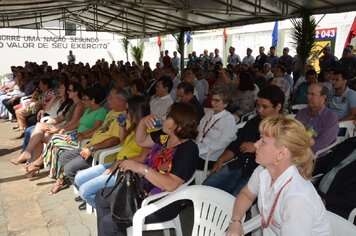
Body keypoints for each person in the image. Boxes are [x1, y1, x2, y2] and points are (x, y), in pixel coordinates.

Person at [95, 102, 199, 236]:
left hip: (163, 202)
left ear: (178, 123)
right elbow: (141, 140)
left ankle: (114, 229)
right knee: (101, 197)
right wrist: (143, 122)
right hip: (143, 191)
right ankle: (117, 230)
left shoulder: (188, 149)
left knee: (108, 223)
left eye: (167, 116)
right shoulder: (165, 136)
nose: (163, 117)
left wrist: (141, 168)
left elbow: (171, 184)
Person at [227, 115, 332, 236]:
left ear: (281, 153)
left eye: (263, 141)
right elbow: (247, 195)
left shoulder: (297, 200)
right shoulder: (263, 171)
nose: (256, 145)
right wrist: (236, 221)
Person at [203, 85, 285, 196]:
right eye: (258, 105)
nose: (259, 110)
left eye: (265, 107)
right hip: (239, 165)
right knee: (207, 186)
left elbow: (281, 157)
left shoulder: (284, 128)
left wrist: (257, 148)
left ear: (278, 107)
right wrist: (221, 159)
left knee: (235, 198)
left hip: (260, 173)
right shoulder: (254, 122)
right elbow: (237, 144)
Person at [74, 95, 150, 209]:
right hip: (118, 162)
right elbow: (124, 142)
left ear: (135, 111)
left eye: (128, 110)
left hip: (129, 170)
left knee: (85, 191)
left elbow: (143, 158)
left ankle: (112, 213)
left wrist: (119, 163)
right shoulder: (134, 126)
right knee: (79, 178)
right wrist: (122, 126)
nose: (126, 112)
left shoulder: (148, 129)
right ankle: (103, 203)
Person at [57, 88, 128, 194]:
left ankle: (88, 194)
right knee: (63, 157)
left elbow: (115, 140)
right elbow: (99, 130)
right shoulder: (111, 113)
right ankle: (85, 188)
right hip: (90, 145)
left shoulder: (124, 117)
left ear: (120, 100)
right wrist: (82, 137)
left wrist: (91, 148)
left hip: (99, 151)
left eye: (111, 97)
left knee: (68, 169)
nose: (108, 100)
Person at [196, 85, 237, 172]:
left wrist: (200, 150)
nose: (212, 103)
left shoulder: (228, 119)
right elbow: (199, 130)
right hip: (198, 149)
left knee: (182, 160)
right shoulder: (209, 113)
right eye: (212, 99)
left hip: (210, 156)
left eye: (217, 100)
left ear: (225, 103)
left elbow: (223, 142)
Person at [295, 83, 339, 153]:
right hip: (296, 150)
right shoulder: (301, 113)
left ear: (323, 97)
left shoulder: (331, 118)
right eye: (308, 94)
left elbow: (321, 144)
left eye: (312, 94)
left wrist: (301, 153)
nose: (308, 97)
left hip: (316, 157)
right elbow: (292, 133)